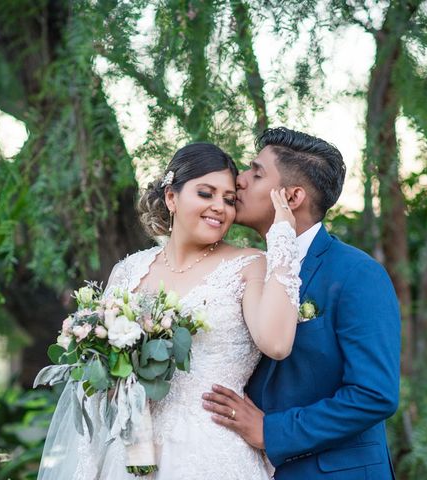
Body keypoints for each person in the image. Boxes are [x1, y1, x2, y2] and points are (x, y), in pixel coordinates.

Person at [37, 142, 302, 479]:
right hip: (129, 449)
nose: (219, 207)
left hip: (210, 451)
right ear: (171, 197)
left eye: (229, 199)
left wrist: (282, 235)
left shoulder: (248, 265)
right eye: (206, 194)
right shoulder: (130, 271)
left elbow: (277, 344)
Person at [202, 127, 401, 479]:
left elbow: (375, 394)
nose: (240, 180)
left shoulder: (357, 274)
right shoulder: (247, 271)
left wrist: (271, 431)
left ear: (292, 197)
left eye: (256, 172)